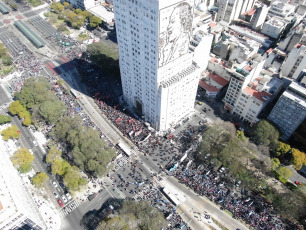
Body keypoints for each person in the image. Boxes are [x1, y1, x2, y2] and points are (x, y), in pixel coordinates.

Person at [159, 2, 193, 67]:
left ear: (183, 22)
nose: (168, 26)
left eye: (172, 21)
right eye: (169, 22)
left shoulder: (182, 44)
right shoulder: (173, 44)